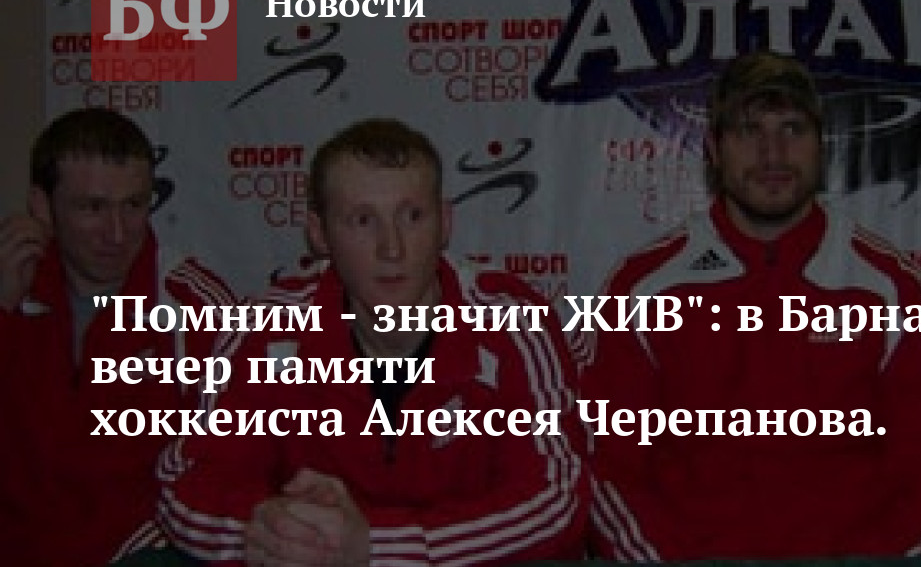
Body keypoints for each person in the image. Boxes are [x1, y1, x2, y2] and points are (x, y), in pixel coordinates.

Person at [577, 52, 921, 560]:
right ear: (713, 149)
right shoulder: (642, 288)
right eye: (749, 131)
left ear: (822, 144)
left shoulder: (889, 287)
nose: (772, 153)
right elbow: (605, 466)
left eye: (792, 129)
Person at [159, 118, 586, 565]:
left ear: (445, 223)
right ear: (319, 234)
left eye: (413, 217)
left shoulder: (513, 323)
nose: (392, 249)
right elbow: (184, 486)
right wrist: (276, 534)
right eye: (363, 221)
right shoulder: (265, 330)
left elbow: (558, 501)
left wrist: (377, 547)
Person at [0, 108, 236, 567]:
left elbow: (238, 468)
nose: (117, 233)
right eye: (92, 208)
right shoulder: (11, 289)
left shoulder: (193, 305)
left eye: (133, 205)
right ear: (42, 207)